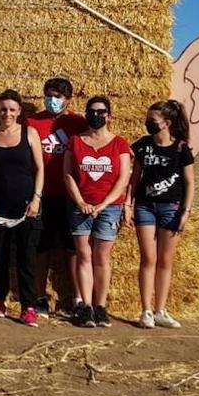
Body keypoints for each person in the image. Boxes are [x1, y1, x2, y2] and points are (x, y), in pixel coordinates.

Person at [0, 90, 46, 326]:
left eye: (12, 109)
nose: (7, 113)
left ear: (19, 112)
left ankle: (28, 307)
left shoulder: (30, 134)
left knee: (26, 259)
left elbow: (40, 170)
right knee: (0, 258)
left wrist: (36, 199)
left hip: (26, 207)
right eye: (3, 109)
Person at [64, 95, 132, 328]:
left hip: (109, 207)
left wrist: (103, 205)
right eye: (92, 111)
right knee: (83, 255)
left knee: (101, 257)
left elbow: (124, 178)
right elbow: (68, 174)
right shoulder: (75, 141)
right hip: (80, 206)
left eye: (101, 111)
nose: (97, 115)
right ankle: (86, 306)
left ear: (109, 116)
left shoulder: (119, 144)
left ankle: (101, 306)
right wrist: (81, 201)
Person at [130, 100, 195, 329]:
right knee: (148, 258)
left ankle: (161, 310)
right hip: (145, 205)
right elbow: (134, 178)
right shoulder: (142, 146)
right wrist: (129, 204)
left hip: (171, 207)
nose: (148, 124)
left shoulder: (180, 149)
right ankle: (146, 310)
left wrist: (185, 212)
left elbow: (189, 182)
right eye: (148, 120)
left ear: (166, 123)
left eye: (153, 121)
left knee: (165, 260)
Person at [27, 76, 89, 317]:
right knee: (41, 248)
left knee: (72, 248)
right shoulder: (32, 122)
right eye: (49, 95)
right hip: (42, 195)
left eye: (58, 96)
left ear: (68, 100)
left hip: (70, 196)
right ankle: (40, 297)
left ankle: (77, 298)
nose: (52, 100)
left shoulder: (77, 122)